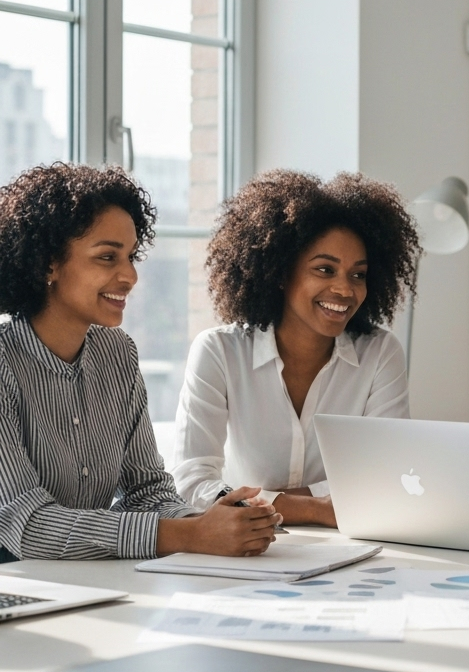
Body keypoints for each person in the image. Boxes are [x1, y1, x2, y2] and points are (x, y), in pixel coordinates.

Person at [0, 163, 281, 563]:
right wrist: (191, 534)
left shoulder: (118, 353)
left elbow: (147, 490)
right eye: (107, 257)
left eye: (131, 256)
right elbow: (25, 526)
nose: (129, 276)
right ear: (49, 263)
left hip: (90, 582)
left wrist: (216, 520)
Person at [171, 170, 419, 526]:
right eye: (324, 269)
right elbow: (190, 483)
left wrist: (262, 500)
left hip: (349, 551)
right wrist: (318, 508)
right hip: (246, 546)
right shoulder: (219, 351)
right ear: (281, 272)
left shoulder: (380, 353)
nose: (345, 290)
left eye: (357, 274)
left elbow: (387, 474)